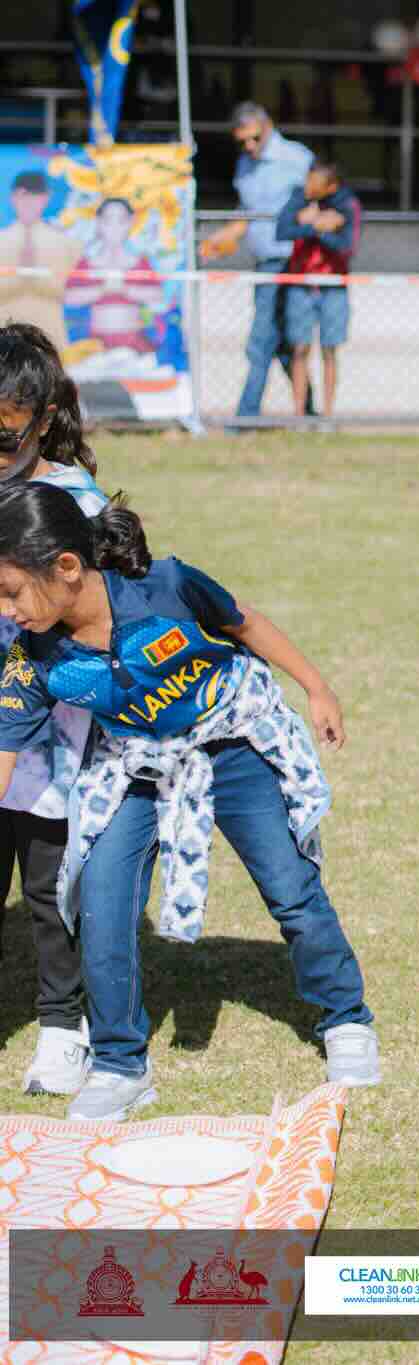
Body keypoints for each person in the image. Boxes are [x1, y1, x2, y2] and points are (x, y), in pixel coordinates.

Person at [0, 484, 381, 1121]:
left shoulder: (167, 585)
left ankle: (346, 1018)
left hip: (231, 746)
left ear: (67, 567)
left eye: (11, 591)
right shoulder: (33, 659)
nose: (5, 609)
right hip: (135, 768)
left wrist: (316, 687)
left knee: (290, 887)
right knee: (101, 898)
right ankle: (121, 1064)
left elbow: (245, 623)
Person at [0, 325, 109, 1098]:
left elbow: (105, 608)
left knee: (49, 889)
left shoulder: (77, 501)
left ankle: (63, 1026)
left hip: (51, 739)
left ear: (43, 416)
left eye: (7, 427)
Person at [198, 103, 316, 425]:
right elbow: (246, 215)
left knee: (263, 338)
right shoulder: (244, 165)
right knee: (279, 342)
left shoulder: (298, 158)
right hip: (264, 262)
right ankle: (308, 412)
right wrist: (218, 241)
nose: (249, 147)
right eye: (242, 142)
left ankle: (246, 418)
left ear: (268, 126)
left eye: (254, 139)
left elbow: (320, 203)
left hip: (292, 262)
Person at [274, 161, 361, 423]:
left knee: (329, 351)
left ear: (331, 186)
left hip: (333, 286)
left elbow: (347, 247)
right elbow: (283, 230)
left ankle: (328, 415)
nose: (307, 188)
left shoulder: (349, 205)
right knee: (299, 349)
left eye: (315, 184)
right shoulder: (299, 198)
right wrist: (316, 226)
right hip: (301, 284)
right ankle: (299, 415)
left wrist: (319, 231)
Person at [61, 200, 153, 359]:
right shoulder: (87, 263)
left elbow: (156, 294)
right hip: (96, 345)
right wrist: (103, 289)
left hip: (134, 344)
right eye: (108, 220)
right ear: (98, 223)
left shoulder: (139, 262)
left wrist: (124, 289)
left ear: (130, 223)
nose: (115, 227)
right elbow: (69, 297)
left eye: (122, 220)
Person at [0, 172, 81, 348]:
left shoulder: (67, 244)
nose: (28, 202)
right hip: (5, 340)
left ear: (46, 198)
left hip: (51, 338)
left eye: (35, 195)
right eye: (23, 195)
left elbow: (73, 294)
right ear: (12, 198)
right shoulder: (1, 240)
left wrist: (34, 279)